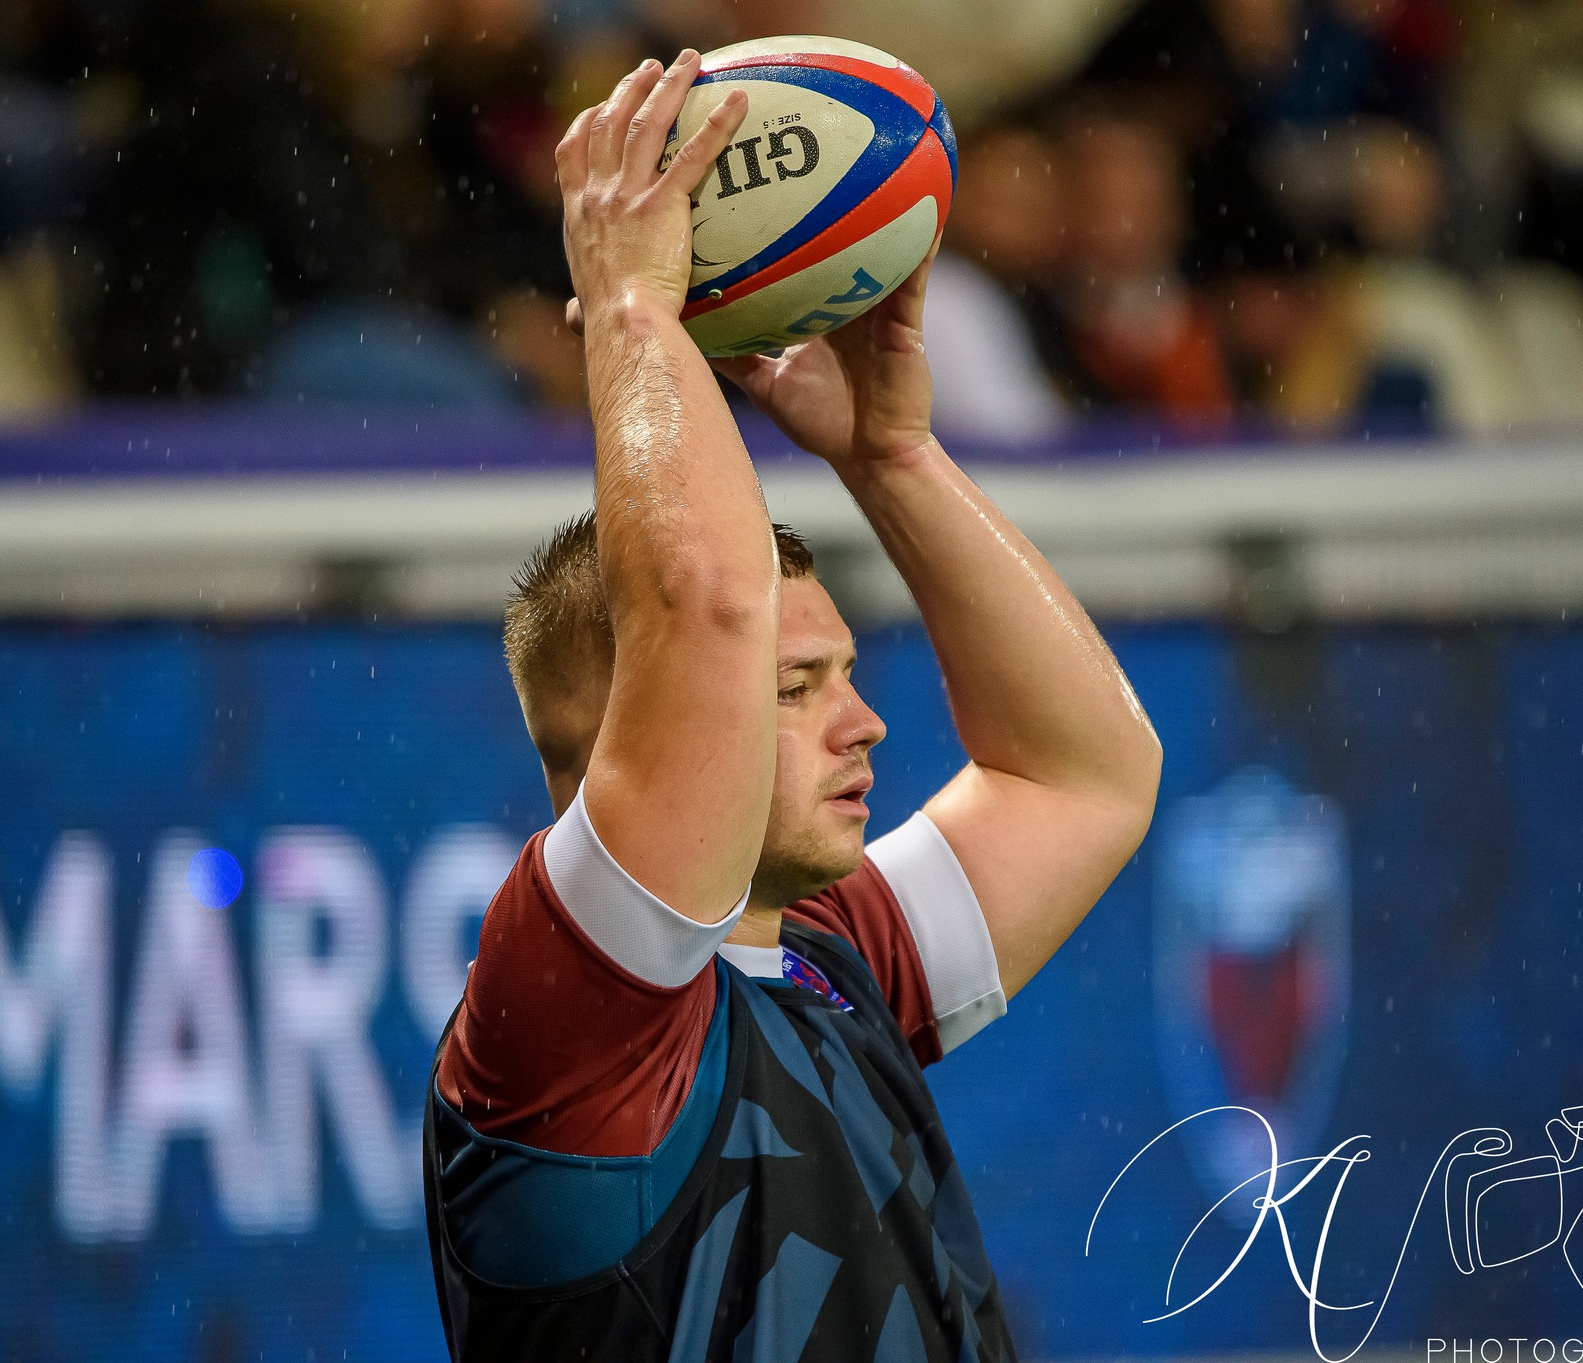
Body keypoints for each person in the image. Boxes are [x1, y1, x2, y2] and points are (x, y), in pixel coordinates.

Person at [422, 51, 1164, 1362]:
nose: (865, 723)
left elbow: (1085, 776)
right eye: (796, 686)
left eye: (845, 674)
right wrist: (634, 306)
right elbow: (701, 605)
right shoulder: (571, 1021)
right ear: (622, 735)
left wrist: (895, 456)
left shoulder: (826, 957)